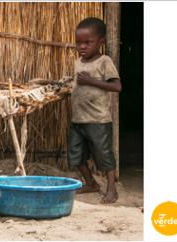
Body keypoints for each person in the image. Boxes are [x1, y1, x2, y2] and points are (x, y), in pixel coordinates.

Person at [68, 17, 122, 203]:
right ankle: (91, 183)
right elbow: (76, 85)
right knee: (76, 156)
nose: (82, 47)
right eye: (79, 43)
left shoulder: (104, 61)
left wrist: (91, 81)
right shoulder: (78, 62)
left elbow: (117, 87)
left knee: (104, 156)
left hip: (98, 120)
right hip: (78, 119)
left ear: (101, 42)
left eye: (87, 42)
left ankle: (112, 190)